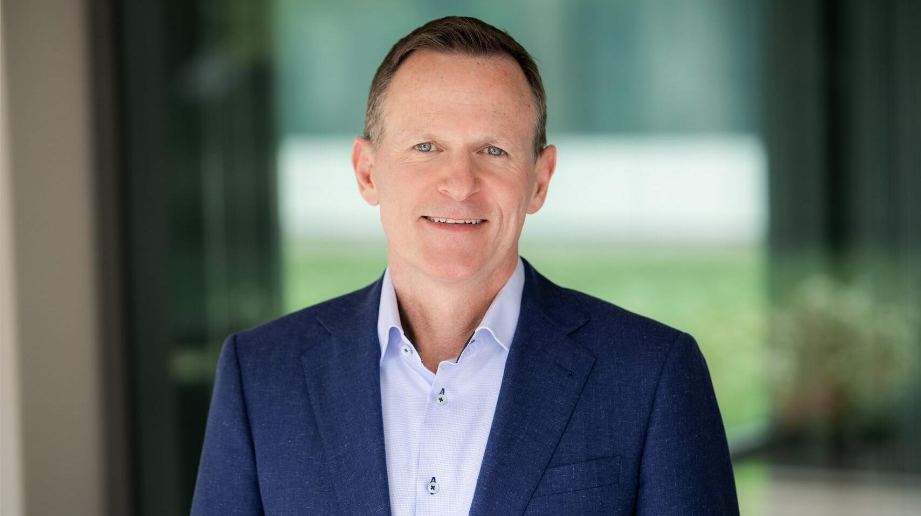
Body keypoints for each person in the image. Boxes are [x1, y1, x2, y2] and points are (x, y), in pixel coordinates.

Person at [191, 16, 740, 516]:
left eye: (493, 150)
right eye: (426, 146)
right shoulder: (260, 377)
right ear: (367, 172)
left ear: (540, 180)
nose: (459, 183)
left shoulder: (652, 377)